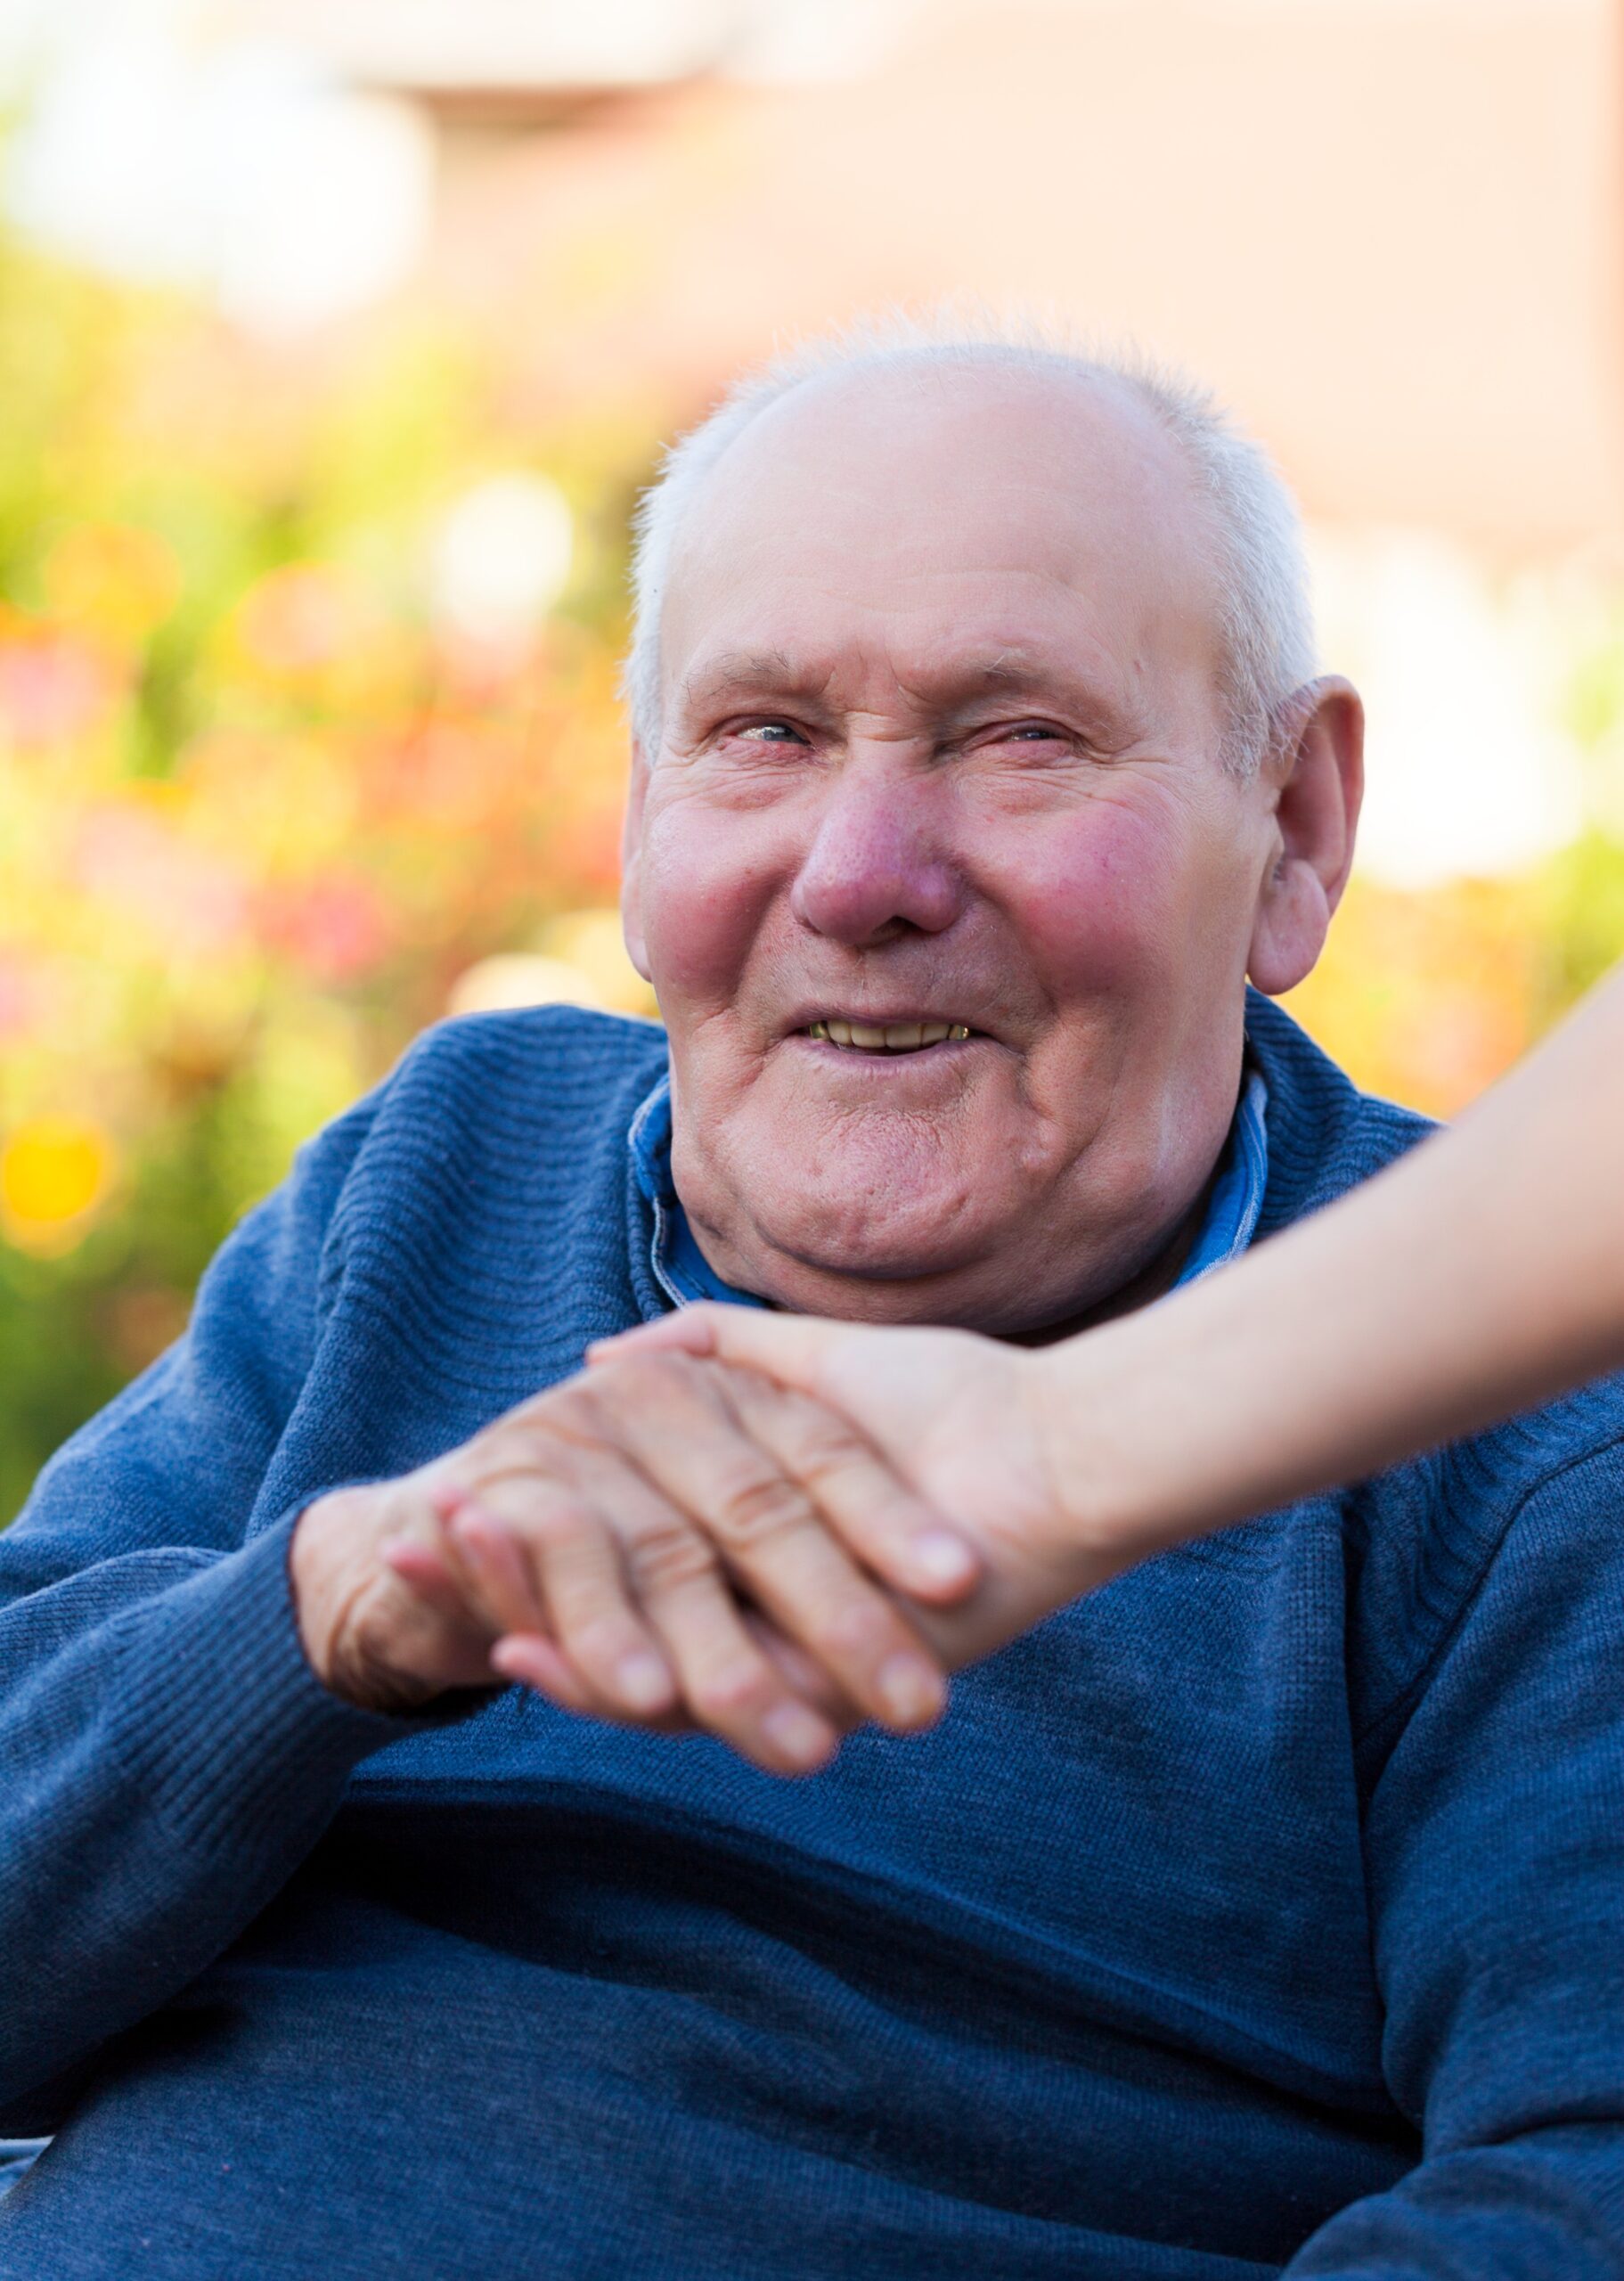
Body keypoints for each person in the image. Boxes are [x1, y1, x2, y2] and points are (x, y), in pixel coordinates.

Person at [4, 316, 1621, 2278]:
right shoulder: (440, 1177)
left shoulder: (1510, 1400)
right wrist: (320, 1612)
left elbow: (1573, 2188)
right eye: (764, 732)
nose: (861, 873)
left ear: (1294, 822)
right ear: (634, 812)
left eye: (1018, 736)